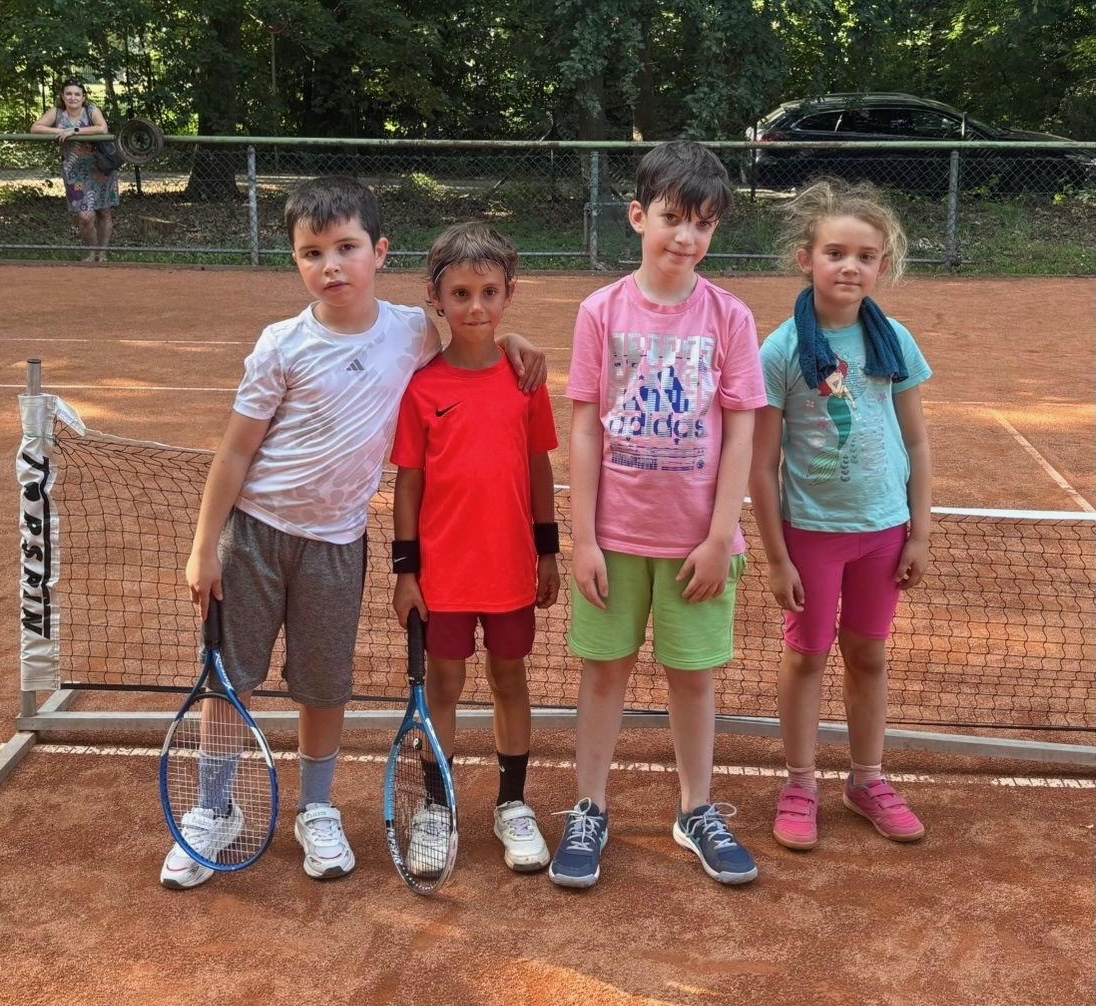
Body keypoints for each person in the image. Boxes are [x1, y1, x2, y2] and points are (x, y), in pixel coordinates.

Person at [160, 177, 545, 889]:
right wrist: (204, 545)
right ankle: (213, 809)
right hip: (255, 535)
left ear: (379, 252)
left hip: (338, 545)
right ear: (295, 259)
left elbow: (471, 346)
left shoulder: (411, 332)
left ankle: (316, 808)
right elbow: (235, 452)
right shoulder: (281, 345)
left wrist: (512, 339)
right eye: (313, 253)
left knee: (323, 685)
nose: (331, 265)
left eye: (346, 248)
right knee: (229, 680)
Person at [548, 141, 767, 890]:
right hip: (613, 539)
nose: (686, 237)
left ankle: (696, 809)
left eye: (702, 224)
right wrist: (583, 539)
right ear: (639, 216)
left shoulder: (730, 317)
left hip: (697, 544)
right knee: (603, 673)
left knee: (692, 680)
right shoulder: (600, 311)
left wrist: (719, 537)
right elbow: (584, 428)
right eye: (673, 218)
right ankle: (588, 808)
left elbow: (741, 432)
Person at [748, 179, 932, 852]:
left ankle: (866, 779)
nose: (850, 267)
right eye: (835, 253)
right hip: (811, 536)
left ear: (881, 265)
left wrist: (919, 532)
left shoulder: (895, 341)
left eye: (865, 256)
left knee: (868, 655)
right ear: (806, 259)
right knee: (807, 656)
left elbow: (916, 442)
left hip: (883, 533)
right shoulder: (780, 351)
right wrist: (776, 558)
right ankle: (800, 784)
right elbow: (761, 463)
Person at [389, 222, 560, 876]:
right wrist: (406, 572)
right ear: (435, 298)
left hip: (511, 569)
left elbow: (539, 469)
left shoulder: (525, 381)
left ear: (509, 294)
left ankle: (512, 803)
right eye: (460, 293)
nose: (476, 307)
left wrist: (547, 553)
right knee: (444, 683)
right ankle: (436, 808)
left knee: (509, 678)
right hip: (443, 577)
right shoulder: (422, 388)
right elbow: (409, 484)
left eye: (489, 292)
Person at [31, 79, 119, 263]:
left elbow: (102, 128)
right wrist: (59, 132)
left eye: (77, 94)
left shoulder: (91, 110)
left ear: (83, 97)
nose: (73, 97)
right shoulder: (57, 113)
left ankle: (102, 254)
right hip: (75, 173)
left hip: (100, 169)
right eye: (69, 94)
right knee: (85, 216)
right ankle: (91, 252)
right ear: (63, 96)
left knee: (103, 212)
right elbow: (35, 128)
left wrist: (74, 130)